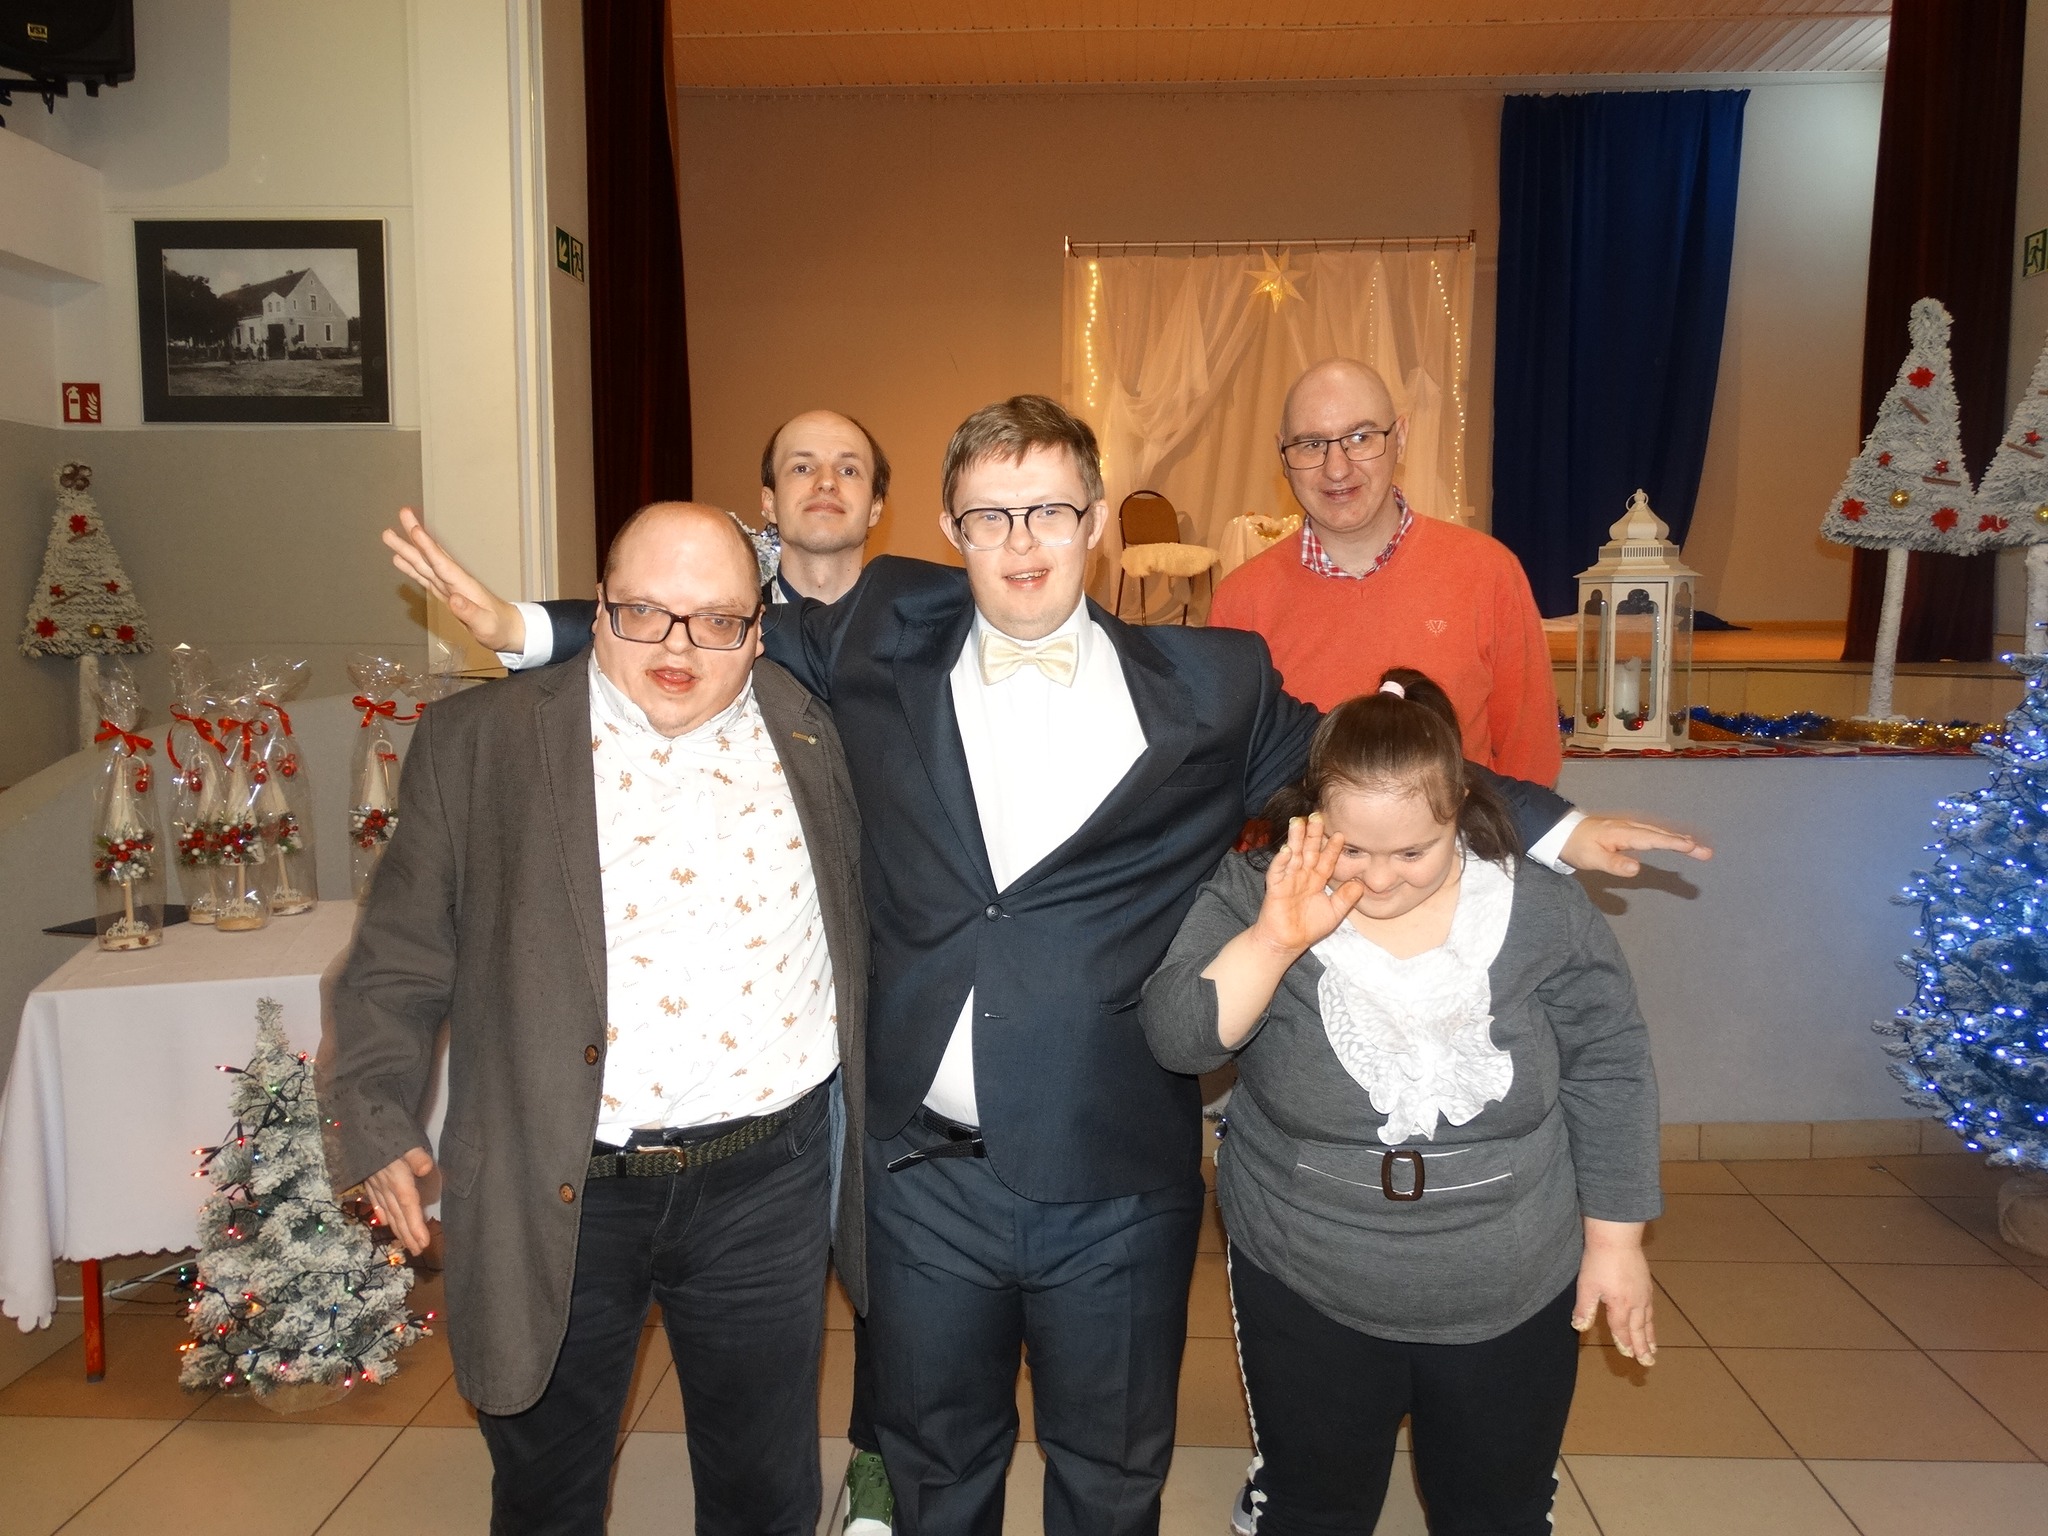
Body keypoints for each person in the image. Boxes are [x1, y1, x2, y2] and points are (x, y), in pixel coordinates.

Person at [386, 396, 1706, 1536]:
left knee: (1110, 1473)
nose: (1021, 542)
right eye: (990, 517)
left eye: (1050, 512)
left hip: (1115, 1176)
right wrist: (528, 624)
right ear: (949, 532)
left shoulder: (1212, 686)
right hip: (923, 1177)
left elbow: (1360, 765)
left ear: (1095, 524)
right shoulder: (873, 644)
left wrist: (1560, 825)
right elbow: (686, 623)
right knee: (936, 1465)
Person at [329, 504, 870, 1535]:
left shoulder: (816, 729)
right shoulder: (481, 743)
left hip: (766, 1181)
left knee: (764, 1492)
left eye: (716, 620)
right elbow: (396, 956)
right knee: (547, 1496)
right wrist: (374, 1108)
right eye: (644, 613)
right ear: (598, 607)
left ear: (758, 629)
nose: (678, 648)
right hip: (558, 1182)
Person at [1141, 669, 1661, 1536]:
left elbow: (1609, 1069)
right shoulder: (1257, 890)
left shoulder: (1540, 908)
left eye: (1413, 853)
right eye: (1352, 850)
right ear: (1312, 816)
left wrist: (1616, 1242)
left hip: (1511, 1275)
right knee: (1315, 1505)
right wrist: (1274, 939)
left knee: (1495, 1509)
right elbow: (1181, 1041)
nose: (1380, 881)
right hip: (1306, 1272)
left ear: (1460, 809)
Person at [1209, 358, 1563, 785]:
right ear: (1283, 456)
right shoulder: (1241, 602)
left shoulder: (1489, 573)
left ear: (1401, 438)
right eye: (1312, 445)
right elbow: (1229, 775)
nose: (1336, 469)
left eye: (1360, 438)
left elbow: (1530, 762)